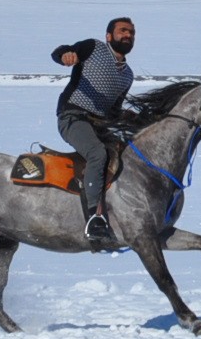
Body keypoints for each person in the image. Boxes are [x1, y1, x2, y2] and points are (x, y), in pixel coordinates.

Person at [52, 17, 137, 242]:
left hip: (100, 124)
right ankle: (94, 218)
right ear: (109, 36)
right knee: (97, 153)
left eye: (132, 32)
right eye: (123, 31)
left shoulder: (128, 75)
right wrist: (65, 55)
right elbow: (61, 51)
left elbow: (114, 111)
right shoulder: (93, 48)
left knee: (130, 154)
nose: (128, 35)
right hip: (72, 116)